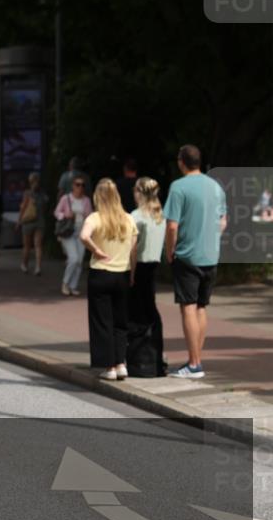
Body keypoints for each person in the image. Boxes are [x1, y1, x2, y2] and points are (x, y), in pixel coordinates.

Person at [163, 144, 227, 378]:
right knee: (201, 306)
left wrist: (169, 251)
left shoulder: (178, 187)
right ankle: (196, 360)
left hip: (187, 255)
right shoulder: (215, 187)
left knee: (188, 307)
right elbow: (222, 221)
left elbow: (171, 225)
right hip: (210, 255)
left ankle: (193, 363)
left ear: (181, 161)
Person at [80, 179, 138, 380]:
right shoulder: (128, 219)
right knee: (120, 321)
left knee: (102, 321)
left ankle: (109, 366)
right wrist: (132, 273)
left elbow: (84, 236)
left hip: (101, 274)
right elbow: (133, 249)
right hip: (122, 274)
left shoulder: (94, 218)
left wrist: (96, 251)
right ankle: (122, 363)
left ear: (98, 196)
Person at [128, 177, 166, 374]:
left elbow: (133, 249)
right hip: (153, 266)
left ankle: (138, 358)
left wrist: (130, 273)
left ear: (140, 193)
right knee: (152, 311)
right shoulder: (160, 215)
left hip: (140, 266)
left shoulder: (136, 216)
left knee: (136, 313)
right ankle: (156, 355)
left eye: (135, 190)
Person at [54, 176, 92, 296]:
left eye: (82, 185)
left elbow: (90, 216)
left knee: (79, 261)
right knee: (73, 258)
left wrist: (87, 215)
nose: (80, 187)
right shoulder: (66, 199)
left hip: (81, 232)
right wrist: (65, 215)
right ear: (72, 186)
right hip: (68, 231)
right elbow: (56, 212)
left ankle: (73, 286)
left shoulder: (86, 200)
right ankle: (65, 283)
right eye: (77, 184)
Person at [16, 172, 48, 275]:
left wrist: (19, 221)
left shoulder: (27, 194)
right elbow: (45, 209)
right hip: (40, 221)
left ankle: (24, 265)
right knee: (38, 245)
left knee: (27, 246)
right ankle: (38, 267)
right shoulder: (43, 194)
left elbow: (23, 208)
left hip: (28, 222)